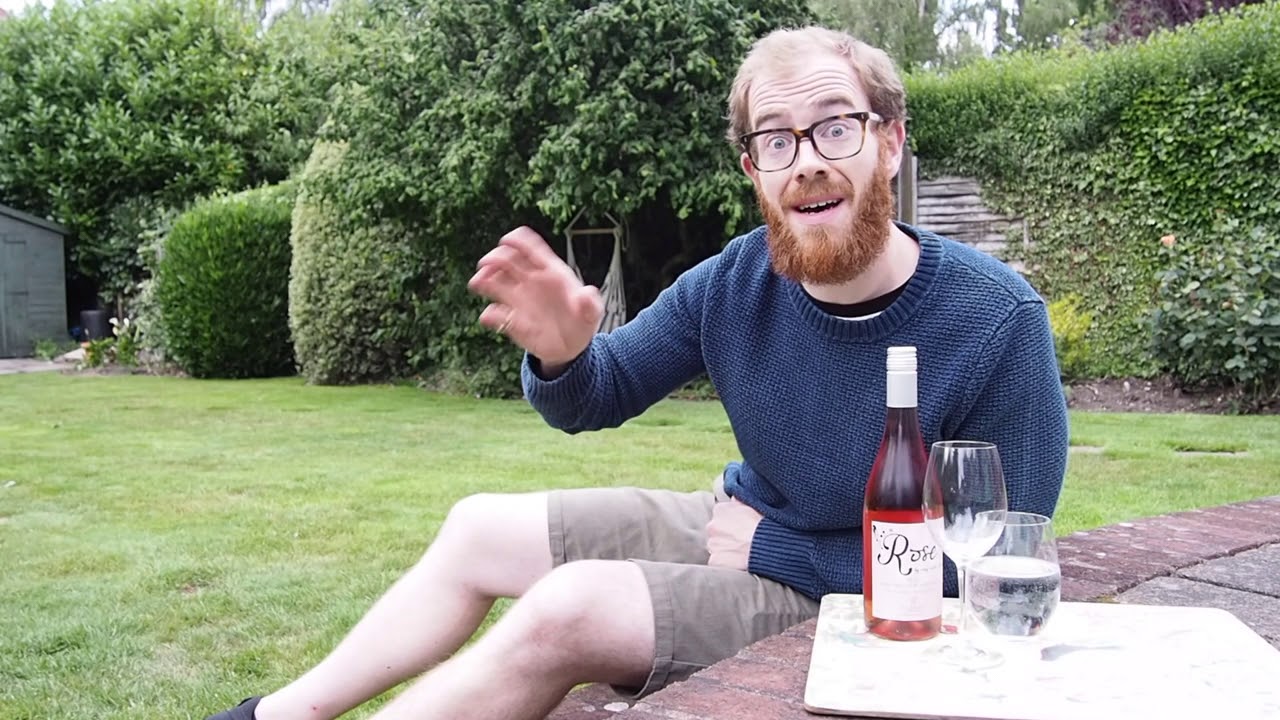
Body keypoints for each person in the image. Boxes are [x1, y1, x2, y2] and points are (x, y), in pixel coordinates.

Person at [206, 25, 1068, 720]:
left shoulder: (995, 321)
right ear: (754, 172)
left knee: (570, 608)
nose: (806, 158)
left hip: (856, 601)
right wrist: (562, 353)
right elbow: (598, 393)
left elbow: (997, 565)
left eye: (835, 127)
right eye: (776, 140)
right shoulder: (734, 284)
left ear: (890, 141)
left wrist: (776, 550)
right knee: (477, 529)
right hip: (740, 525)